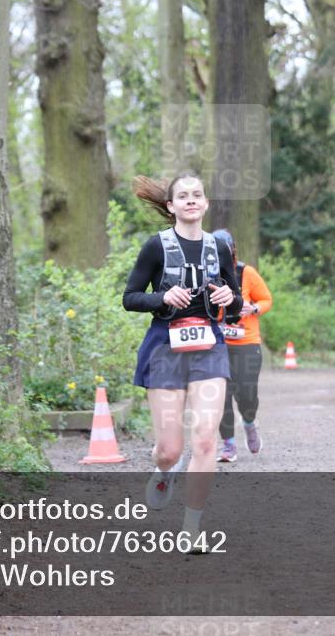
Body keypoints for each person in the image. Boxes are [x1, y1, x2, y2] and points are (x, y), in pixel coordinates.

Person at [123, 173, 242, 550]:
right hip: (165, 347)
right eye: (183, 196)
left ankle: (192, 527)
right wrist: (160, 297)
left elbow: (236, 302)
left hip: (208, 346)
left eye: (197, 195)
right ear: (171, 206)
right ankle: (163, 470)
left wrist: (229, 298)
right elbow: (130, 297)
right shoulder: (156, 247)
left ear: (205, 204)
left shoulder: (218, 247)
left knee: (205, 439)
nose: (191, 200)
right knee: (170, 449)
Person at [211, 228, 272, 463]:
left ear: (233, 251)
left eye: (223, 251)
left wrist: (253, 308)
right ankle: (228, 445)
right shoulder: (206, 274)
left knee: (247, 394)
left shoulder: (246, 273)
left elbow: (266, 299)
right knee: (222, 396)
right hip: (218, 343)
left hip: (247, 342)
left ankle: (249, 422)